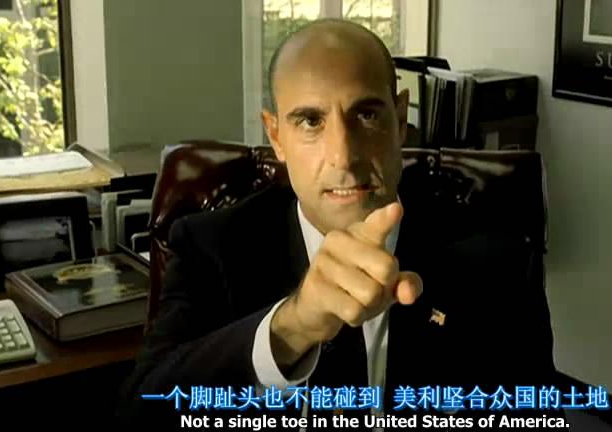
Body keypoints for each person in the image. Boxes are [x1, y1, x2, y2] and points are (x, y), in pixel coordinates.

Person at [118, 19, 566, 431]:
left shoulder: (497, 259)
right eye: (310, 121)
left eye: (367, 115)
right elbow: (142, 413)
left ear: (400, 120)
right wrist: (292, 327)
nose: (344, 156)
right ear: (276, 136)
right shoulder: (211, 244)